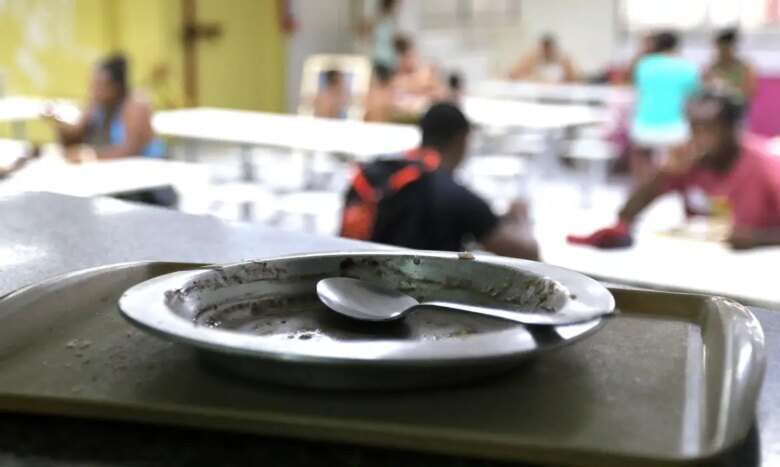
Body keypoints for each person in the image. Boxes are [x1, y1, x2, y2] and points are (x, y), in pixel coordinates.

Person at [569, 93, 780, 250]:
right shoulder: (688, 163)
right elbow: (626, 214)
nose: (701, 137)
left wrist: (758, 239)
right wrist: (665, 171)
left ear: (734, 129)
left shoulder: (765, 166)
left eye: (711, 128)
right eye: (695, 128)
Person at [340, 102, 539, 259]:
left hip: (359, 288)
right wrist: (521, 219)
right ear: (461, 140)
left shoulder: (373, 174)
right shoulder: (452, 193)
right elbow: (526, 253)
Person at [46, 54, 165, 161]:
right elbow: (74, 139)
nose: (93, 90)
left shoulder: (136, 105)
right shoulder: (97, 104)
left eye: (99, 85)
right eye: (92, 84)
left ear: (116, 87)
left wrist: (91, 156)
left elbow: (130, 150)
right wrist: (59, 125)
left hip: (149, 172)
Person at [629, 31, 699, 183]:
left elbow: (635, 86)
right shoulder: (687, 67)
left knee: (641, 157)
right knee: (681, 160)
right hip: (676, 129)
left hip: (643, 126)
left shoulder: (644, 65)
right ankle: (676, 186)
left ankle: (641, 187)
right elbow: (695, 97)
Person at [704, 28, 756, 115]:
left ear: (732, 47)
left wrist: (728, 91)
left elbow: (749, 92)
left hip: (737, 112)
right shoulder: (711, 68)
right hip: (715, 114)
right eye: (719, 48)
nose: (721, 51)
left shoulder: (745, 67)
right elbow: (704, 90)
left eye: (725, 48)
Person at [392, 35, 449, 105]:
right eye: (404, 57)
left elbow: (442, 92)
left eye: (410, 56)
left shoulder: (426, 72)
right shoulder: (396, 79)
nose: (407, 60)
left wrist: (428, 93)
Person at [509, 34, 577, 83]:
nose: (547, 52)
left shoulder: (563, 60)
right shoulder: (532, 59)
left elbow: (574, 80)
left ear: (553, 48)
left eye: (549, 49)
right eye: (544, 49)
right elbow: (514, 74)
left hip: (559, 92)